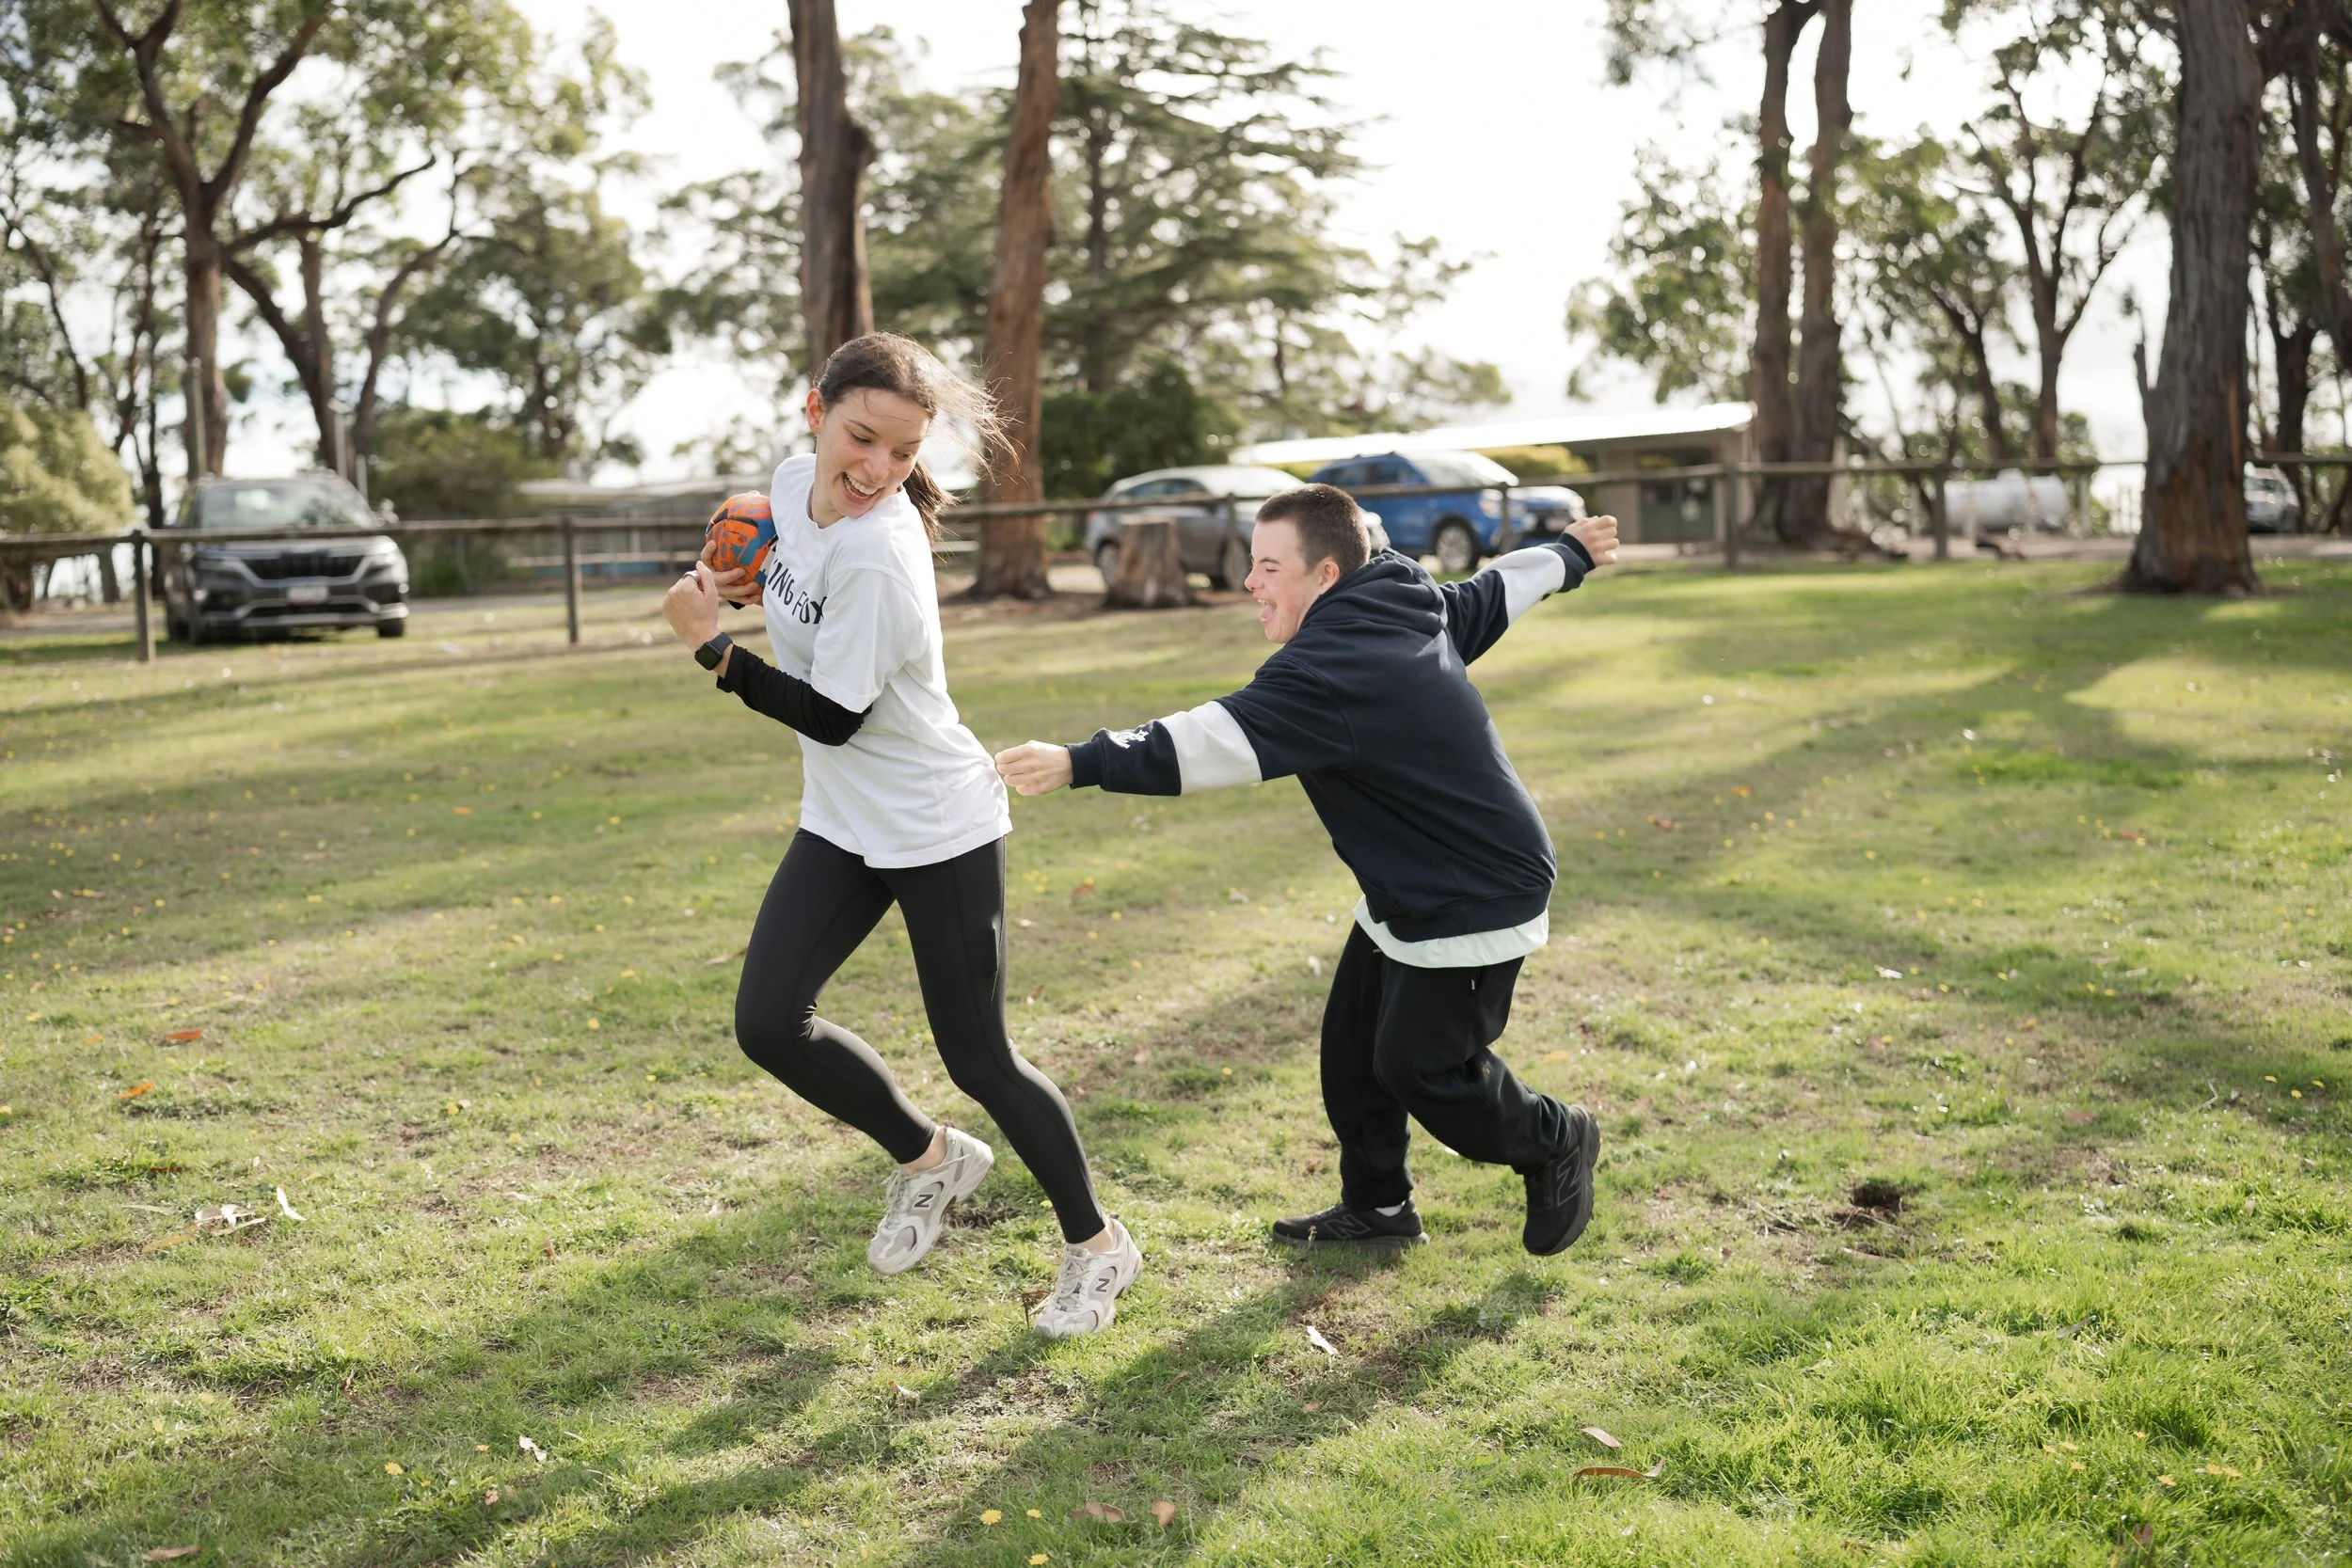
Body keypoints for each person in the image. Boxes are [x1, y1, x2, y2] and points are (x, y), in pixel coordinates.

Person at [659, 332, 1140, 1337]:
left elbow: (834, 713)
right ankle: (932, 1158)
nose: (877, 470)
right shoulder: (793, 486)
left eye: (903, 453)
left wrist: (712, 648)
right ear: (814, 411)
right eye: (861, 438)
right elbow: (798, 584)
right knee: (766, 1021)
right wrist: (743, 582)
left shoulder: (886, 552)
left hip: (935, 821)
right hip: (843, 817)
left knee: (980, 1057)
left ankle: (1098, 1246)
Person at [994, 484, 1618, 1256]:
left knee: (1422, 1067)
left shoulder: (1331, 667)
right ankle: (1380, 1207)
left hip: (1476, 889)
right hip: (1410, 883)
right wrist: (1569, 554)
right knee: (1351, 1053)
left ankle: (1557, 1137)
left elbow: (1207, 741)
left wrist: (1079, 761)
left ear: (1326, 574)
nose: (1249, 582)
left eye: (1268, 566)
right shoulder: (1399, 594)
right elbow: (1488, 595)